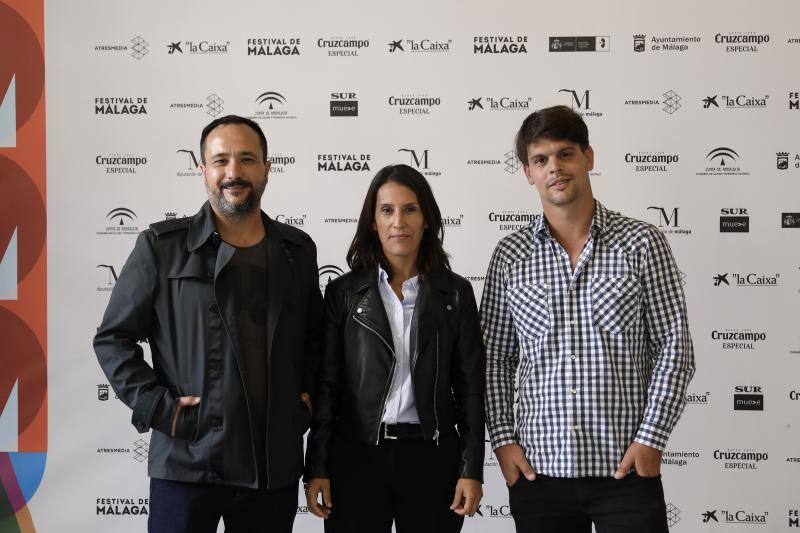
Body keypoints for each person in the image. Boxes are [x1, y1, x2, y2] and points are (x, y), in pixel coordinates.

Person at [94, 115, 322, 533]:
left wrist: (301, 406)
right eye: (220, 161)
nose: (233, 172)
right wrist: (159, 409)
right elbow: (113, 339)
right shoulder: (161, 248)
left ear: (267, 167)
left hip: (272, 468)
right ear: (202, 170)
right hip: (186, 464)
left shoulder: (296, 251)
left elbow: (314, 339)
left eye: (247, 159)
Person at [481, 105, 695, 532]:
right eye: (540, 160)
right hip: (539, 473)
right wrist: (503, 441)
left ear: (588, 157)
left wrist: (651, 438)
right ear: (527, 172)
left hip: (626, 470)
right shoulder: (511, 256)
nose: (554, 168)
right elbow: (494, 360)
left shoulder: (642, 244)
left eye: (565, 154)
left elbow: (675, 349)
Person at [304, 164, 485, 533]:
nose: (398, 221)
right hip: (356, 456)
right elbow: (327, 387)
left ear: (427, 219)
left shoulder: (455, 294)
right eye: (387, 210)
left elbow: (470, 389)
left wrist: (471, 469)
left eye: (410, 209)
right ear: (373, 221)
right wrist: (317, 467)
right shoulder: (344, 293)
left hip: (432, 457)